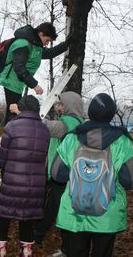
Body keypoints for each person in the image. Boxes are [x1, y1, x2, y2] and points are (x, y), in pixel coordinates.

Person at [50, 93, 133, 257]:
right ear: (111, 114)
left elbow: (57, 174)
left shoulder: (72, 138)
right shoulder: (122, 142)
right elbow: (132, 180)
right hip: (107, 213)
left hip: (74, 212)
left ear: (90, 112)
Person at [0, 95, 50, 257]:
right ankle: (25, 253)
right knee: (27, 224)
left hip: (12, 185)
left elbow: (2, 160)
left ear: (21, 107)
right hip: (35, 187)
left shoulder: (11, 126)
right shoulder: (45, 130)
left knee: (2, 221)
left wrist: (1, 164)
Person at [32, 91, 84, 255]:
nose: (59, 108)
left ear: (69, 105)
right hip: (73, 173)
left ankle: (37, 235)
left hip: (62, 173)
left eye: (61, 104)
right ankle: (66, 248)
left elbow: (48, 127)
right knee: (64, 208)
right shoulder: (80, 122)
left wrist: (28, 114)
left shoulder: (68, 123)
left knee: (53, 206)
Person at [0, 22, 71, 123]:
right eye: (47, 40)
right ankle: (10, 137)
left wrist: (67, 44)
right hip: (11, 81)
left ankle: (11, 136)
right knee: (13, 113)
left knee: (14, 113)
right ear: (41, 34)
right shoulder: (23, 44)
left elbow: (50, 53)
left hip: (16, 83)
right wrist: (35, 85)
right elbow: (19, 68)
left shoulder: (35, 46)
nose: (47, 43)